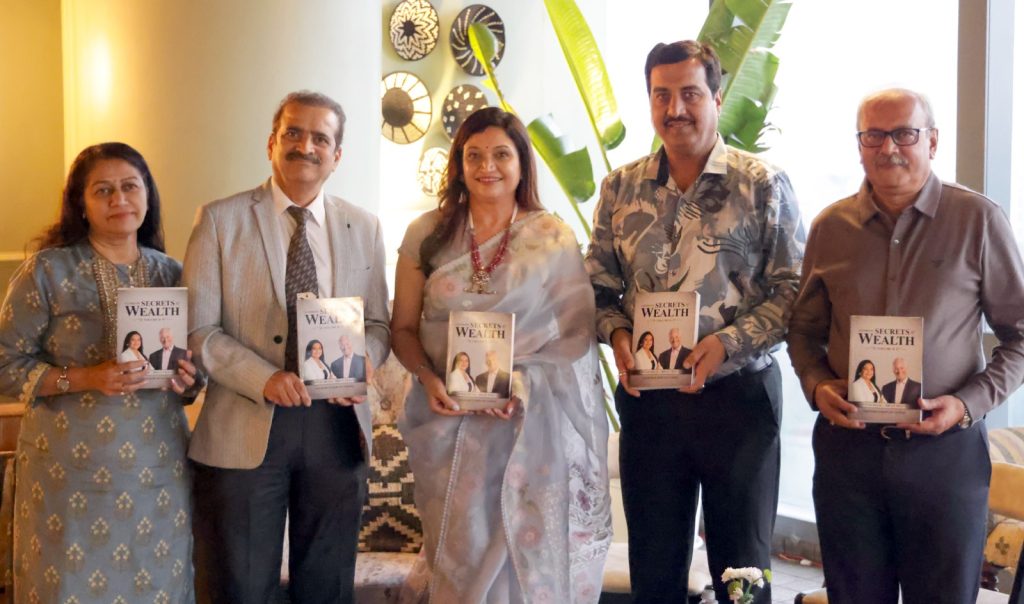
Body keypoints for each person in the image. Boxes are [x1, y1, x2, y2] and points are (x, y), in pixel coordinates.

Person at [585, 41, 804, 603]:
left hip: (738, 399)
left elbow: (793, 291)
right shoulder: (620, 188)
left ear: (717, 98)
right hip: (651, 403)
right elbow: (598, 288)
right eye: (662, 95)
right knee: (654, 568)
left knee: (743, 574)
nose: (675, 108)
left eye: (690, 94)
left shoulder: (763, 184)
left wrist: (726, 344)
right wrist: (618, 335)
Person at [787, 88, 1024, 604]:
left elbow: (1021, 335)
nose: (888, 147)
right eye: (873, 135)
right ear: (859, 145)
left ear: (932, 142)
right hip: (849, 457)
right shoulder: (830, 228)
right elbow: (802, 332)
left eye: (904, 134)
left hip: (944, 457)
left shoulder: (978, 220)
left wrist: (967, 404)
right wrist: (817, 385)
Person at [391, 107, 611, 602]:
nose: (486, 166)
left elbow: (577, 333)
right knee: (459, 555)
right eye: (474, 155)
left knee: (521, 554)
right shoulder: (426, 233)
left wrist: (522, 381)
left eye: (501, 155)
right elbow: (402, 329)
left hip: (525, 425)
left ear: (522, 163)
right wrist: (428, 379)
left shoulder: (551, 236)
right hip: (444, 419)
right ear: (458, 164)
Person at [183, 90, 390, 604]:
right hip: (246, 424)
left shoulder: (364, 226)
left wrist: (364, 359)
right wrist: (265, 379)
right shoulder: (219, 220)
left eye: (320, 138)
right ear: (271, 143)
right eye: (293, 133)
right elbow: (200, 330)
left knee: (326, 587)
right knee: (240, 588)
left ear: (337, 155)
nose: (306, 146)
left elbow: (378, 324)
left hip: (337, 428)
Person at [0, 142, 200, 603]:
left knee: (158, 587)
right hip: (68, 475)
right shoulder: (46, 272)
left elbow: (193, 367)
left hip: (158, 472)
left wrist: (191, 379)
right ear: (81, 204)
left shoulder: (173, 274)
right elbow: (5, 364)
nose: (119, 199)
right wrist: (87, 378)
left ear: (147, 196)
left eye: (130, 187)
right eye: (103, 190)